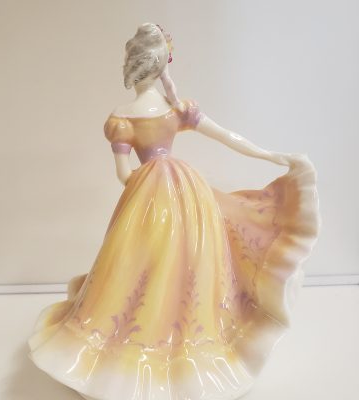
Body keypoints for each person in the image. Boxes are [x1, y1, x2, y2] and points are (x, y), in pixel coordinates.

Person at [28, 23, 320, 400]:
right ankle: (180, 339)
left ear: (134, 65)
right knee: (190, 262)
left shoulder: (123, 117)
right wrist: (271, 156)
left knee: (138, 267)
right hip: (187, 192)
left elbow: (123, 175)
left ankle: (133, 348)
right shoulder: (176, 110)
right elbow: (227, 137)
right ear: (163, 64)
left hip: (147, 195)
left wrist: (146, 188)